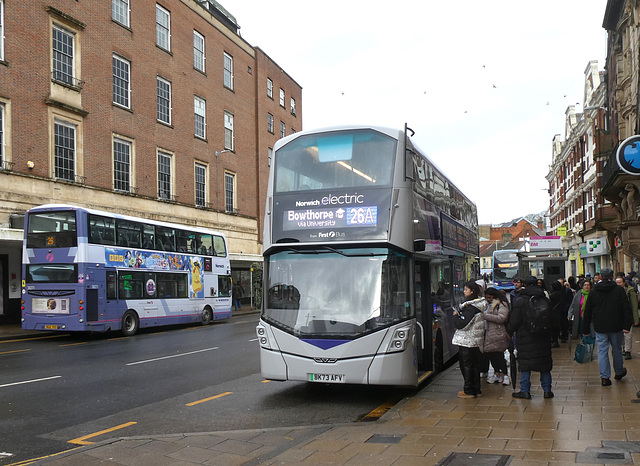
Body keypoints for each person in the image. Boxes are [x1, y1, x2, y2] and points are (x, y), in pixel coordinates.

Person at [582, 268, 633, 386]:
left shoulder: (594, 291)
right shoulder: (619, 290)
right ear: (612, 277)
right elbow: (626, 308)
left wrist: (585, 329)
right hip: (616, 325)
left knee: (602, 351)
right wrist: (627, 325)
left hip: (600, 326)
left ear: (600, 277)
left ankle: (605, 377)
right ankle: (619, 371)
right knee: (617, 349)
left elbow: (587, 311)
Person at [506, 276, 554, 399]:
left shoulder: (521, 300)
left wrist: (509, 331)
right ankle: (547, 390)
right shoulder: (545, 298)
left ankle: (525, 391)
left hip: (526, 336)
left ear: (525, 285)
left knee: (525, 364)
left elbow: (515, 320)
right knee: (544, 364)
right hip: (543, 336)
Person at [452, 281, 486, 399]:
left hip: (467, 340)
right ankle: (477, 389)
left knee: (466, 365)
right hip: (475, 340)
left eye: (466, 289)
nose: (464, 291)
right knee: (475, 365)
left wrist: (456, 315)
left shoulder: (471, 307)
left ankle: (469, 390)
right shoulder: (479, 304)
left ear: (472, 291)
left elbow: (462, 324)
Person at [483, 287, 510, 386]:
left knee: (499, 355)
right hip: (489, 333)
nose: (488, 299)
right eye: (487, 297)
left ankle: (506, 375)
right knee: (492, 355)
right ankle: (497, 374)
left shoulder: (501, 304)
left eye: (490, 297)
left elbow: (501, 318)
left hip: (498, 333)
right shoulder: (489, 305)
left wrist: (485, 316)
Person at [615, 276, 639, 360]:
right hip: (617, 317)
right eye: (617, 283)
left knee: (628, 335)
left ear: (624, 283)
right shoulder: (614, 292)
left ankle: (627, 351)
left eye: (620, 282)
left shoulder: (630, 291)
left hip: (628, 316)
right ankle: (623, 349)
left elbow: (634, 306)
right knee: (620, 335)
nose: (618, 284)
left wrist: (636, 319)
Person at [548, 281, 564, 347]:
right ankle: (555, 340)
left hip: (553, 313)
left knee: (553, 328)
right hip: (559, 312)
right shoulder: (561, 293)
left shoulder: (553, 294)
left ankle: (554, 341)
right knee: (556, 328)